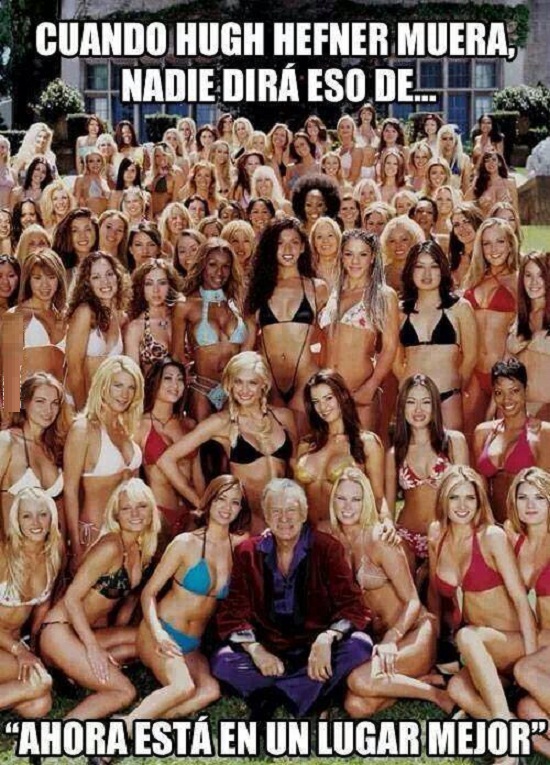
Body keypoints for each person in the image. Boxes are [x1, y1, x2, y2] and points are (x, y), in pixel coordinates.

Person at [211, 477, 372, 720]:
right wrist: (256, 650)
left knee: (360, 645)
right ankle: (309, 690)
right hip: (270, 650)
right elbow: (233, 611)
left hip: (315, 650)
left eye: (291, 510)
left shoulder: (327, 548)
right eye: (276, 511)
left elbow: (352, 605)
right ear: (266, 516)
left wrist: (327, 638)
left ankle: (272, 695)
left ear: (304, 514)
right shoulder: (248, 552)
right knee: (222, 660)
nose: (284, 518)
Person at [119, 476, 248, 735]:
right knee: (183, 688)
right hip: (161, 632)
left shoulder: (238, 546)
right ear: (209, 501)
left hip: (192, 645)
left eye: (235, 502)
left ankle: (141, 722)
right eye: (221, 499)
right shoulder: (185, 543)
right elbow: (149, 593)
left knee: (210, 691)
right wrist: (158, 633)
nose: (227, 507)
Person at [324, 468, 451, 716]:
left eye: (356, 499)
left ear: (366, 502)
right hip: (379, 641)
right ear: (333, 501)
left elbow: (413, 601)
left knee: (358, 680)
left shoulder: (379, 539)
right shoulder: (333, 540)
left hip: (412, 632)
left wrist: (392, 638)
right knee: (356, 706)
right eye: (341, 498)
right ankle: (418, 682)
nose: (348, 507)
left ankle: (437, 695)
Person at [39, 478, 160, 721]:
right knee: (124, 691)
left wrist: (114, 635)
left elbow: (127, 600)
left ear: (151, 511)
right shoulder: (110, 547)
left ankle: (74, 673)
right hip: (59, 631)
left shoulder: (140, 547)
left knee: (147, 638)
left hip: (82, 632)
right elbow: (72, 598)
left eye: (141, 506)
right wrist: (93, 649)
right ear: (116, 515)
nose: (135, 514)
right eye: (126, 508)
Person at [429, 465, 537, 731]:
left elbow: (521, 602)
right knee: (457, 688)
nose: (462, 505)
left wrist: (532, 661)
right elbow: (436, 594)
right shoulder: (437, 536)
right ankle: (516, 729)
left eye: (470, 497)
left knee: (467, 636)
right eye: (454, 497)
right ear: (443, 499)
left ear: (479, 501)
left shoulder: (491, 537)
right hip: (483, 653)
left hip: (514, 643)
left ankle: (503, 731)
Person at [158, 351, 296, 532]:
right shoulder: (222, 423)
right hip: (249, 522)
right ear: (230, 384)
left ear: (264, 384)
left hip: (285, 517)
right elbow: (166, 459)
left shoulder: (284, 417)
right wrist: (201, 503)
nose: (244, 390)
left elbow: (296, 467)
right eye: (238, 382)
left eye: (252, 383)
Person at [246, 218, 328, 434]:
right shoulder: (258, 289)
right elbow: (247, 345)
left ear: (303, 247)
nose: (288, 249)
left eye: (294, 242)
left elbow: (330, 337)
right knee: (274, 445)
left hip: (304, 376)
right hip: (268, 379)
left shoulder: (317, 288)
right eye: (280, 243)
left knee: (301, 442)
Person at [64, 356, 143, 566]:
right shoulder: (83, 429)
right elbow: (70, 491)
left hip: (129, 535)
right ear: (103, 385)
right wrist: (75, 546)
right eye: (118, 385)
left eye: (131, 387)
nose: (124, 394)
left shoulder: (128, 428)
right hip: (94, 534)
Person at [386, 374, 468, 571]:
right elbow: (388, 505)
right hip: (407, 537)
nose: (418, 409)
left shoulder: (453, 442)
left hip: (445, 534)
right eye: (411, 402)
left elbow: (467, 494)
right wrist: (387, 524)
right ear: (402, 407)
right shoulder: (395, 453)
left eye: (425, 402)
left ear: (435, 406)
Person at [319, 230, 399, 431]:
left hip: (360, 390)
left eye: (362, 254)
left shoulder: (383, 295)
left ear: (372, 258)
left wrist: (371, 387)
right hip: (327, 393)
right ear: (341, 256)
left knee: (363, 449)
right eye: (349, 254)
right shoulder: (333, 292)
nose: (355, 261)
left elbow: (390, 347)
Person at [393, 240, 477, 430]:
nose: (427, 274)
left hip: (448, 394)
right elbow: (395, 362)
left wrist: (457, 386)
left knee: (452, 447)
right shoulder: (400, 311)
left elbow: (471, 357)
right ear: (410, 270)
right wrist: (408, 388)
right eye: (420, 267)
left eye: (433, 266)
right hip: (411, 397)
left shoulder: (460, 308)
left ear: (443, 269)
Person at [171, 238, 253, 421]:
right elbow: (177, 356)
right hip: (202, 389)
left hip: (235, 389)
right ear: (202, 266)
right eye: (212, 265)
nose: (219, 272)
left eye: (225, 266)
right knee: (203, 438)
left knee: (233, 438)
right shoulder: (185, 305)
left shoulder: (238, 304)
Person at [0, 487, 63, 719]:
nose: (36, 523)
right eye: (27, 516)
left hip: (12, 644)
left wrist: (33, 648)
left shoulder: (53, 555)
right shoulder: (4, 556)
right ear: (17, 520)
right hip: (6, 644)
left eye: (42, 514)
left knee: (39, 705)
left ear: (51, 518)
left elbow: (42, 607)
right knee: (41, 683)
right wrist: (19, 651)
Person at [295, 370, 387, 526]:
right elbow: (296, 497)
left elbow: (378, 497)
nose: (323, 407)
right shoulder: (306, 445)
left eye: (328, 398)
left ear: (342, 397)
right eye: (316, 401)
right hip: (310, 533)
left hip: (347, 533)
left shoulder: (367, 443)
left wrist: (387, 520)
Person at [463, 218, 519, 443]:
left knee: (502, 443)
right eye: (486, 243)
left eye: (500, 241)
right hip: (473, 372)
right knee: (468, 437)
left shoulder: (519, 281)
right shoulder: (473, 279)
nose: (493, 249)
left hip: (505, 372)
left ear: (510, 244)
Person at [474, 359, 550, 524]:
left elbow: (545, 490)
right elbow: (479, 490)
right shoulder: (483, 432)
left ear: (526, 390)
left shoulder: (544, 433)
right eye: (499, 392)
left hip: (529, 528)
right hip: (493, 527)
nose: (506, 399)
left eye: (514, 391)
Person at [507, 468, 550, 757]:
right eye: (523, 497)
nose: (531, 505)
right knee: (526, 710)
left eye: (539, 497)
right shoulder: (514, 542)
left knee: (524, 669)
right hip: (542, 642)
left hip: (544, 646)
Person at [137, 359, 202, 540]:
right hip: (159, 514)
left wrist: (203, 509)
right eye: (168, 378)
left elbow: (198, 475)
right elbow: (131, 477)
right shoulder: (139, 425)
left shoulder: (189, 424)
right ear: (154, 382)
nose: (175, 385)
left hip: (191, 515)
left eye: (180, 379)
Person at [1, 250, 67, 414]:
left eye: (51, 277)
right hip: (25, 412)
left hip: (60, 410)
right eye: (37, 278)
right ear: (28, 281)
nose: (45, 285)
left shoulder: (67, 317)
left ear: (59, 279)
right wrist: (11, 419)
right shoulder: (15, 316)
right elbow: (9, 380)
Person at [65, 251, 131, 411]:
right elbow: (74, 370)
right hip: (78, 403)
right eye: (96, 277)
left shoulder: (121, 317)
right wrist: (83, 413)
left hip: (106, 406)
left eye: (109, 274)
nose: (105, 281)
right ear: (87, 283)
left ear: (117, 277)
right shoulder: (84, 312)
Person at [0, 373, 64, 534]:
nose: (48, 410)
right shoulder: (7, 441)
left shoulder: (54, 447)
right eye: (40, 401)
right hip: (12, 546)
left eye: (54, 403)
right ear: (24, 403)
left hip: (48, 548)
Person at [506, 252, 550, 419]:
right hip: (518, 410)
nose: (534, 282)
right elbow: (506, 367)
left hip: (546, 411)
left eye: (541, 275)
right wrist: (491, 410)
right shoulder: (519, 318)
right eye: (528, 275)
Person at [124, 259, 182, 374]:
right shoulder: (136, 328)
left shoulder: (182, 317)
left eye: (162, 283)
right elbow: (133, 376)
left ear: (170, 286)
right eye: (149, 284)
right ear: (142, 289)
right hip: (152, 386)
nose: (156, 290)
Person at [466, 150, 518, 217]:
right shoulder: (479, 183)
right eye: (487, 161)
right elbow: (465, 202)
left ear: (499, 163)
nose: (490, 163)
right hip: (485, 221)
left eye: (494, 160)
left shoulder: (510, 183)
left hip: (505, 221)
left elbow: (515, 210)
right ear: (484, 165)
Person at [449, 202, 484, 291]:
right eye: (456, 225)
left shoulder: (486, 256)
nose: (462, 228)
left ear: (477, 223)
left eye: (466, 222)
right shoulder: (453, 258)